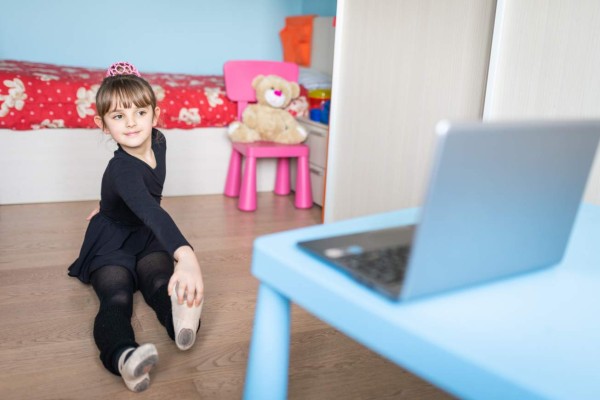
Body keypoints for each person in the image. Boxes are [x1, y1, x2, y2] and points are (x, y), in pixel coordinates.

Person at [68, 62, 204, 392]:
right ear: (102, 125)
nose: (131, 123)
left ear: (155, 115)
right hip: (111, 241)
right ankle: (124, 357)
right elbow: (149, 207)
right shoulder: (121, 170)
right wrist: (186, 256)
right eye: (118, 116)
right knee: (116, 298)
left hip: (144, 235)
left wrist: (109, 200)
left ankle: (180, 325)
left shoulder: (159, 142)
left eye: (140, 113)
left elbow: (148, 198)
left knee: (159, 281)